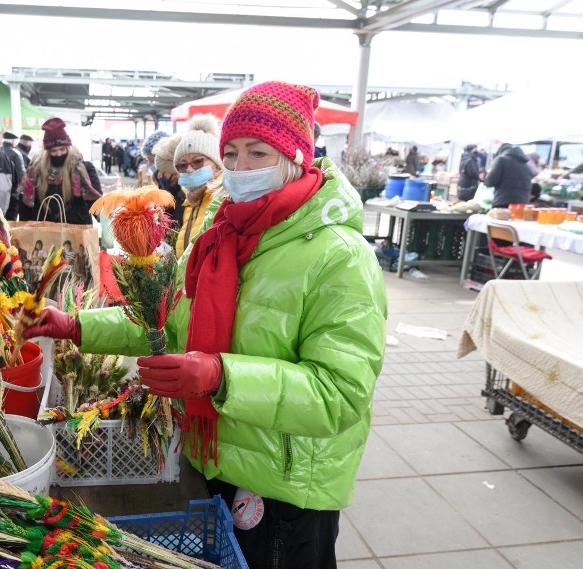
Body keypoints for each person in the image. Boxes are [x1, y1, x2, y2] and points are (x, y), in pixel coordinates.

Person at [22, 81, 387, 569]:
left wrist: (221, 376)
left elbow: (339, 394)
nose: (239, 168)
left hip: (288, 487)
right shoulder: (220, 239)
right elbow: (163, 323)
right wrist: (75, 326)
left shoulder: (339, 257)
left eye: (258, 153)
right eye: (231, 153)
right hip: (217, 461)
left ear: (297, 156)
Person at [20, 117, 102, 224]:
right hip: (43, 233)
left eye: (62, 149)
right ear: (47, 152)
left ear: (68, 147)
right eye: (53, 151)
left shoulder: (84, 169)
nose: (58, 154)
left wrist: (106, 224)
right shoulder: (35, 171)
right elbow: (25, 205)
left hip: (77, 232)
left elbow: (96, 203)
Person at [173, 114, 226, 258]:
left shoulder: (224, 197)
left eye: (197, 161)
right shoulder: (191, 199)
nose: (189, 170)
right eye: (182, 165)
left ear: (216, 163)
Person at [152, 133, 186, 234]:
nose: (159, 175)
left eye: (163, 171)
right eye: (158, 170)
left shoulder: (183, 196)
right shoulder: (167, 189)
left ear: (175, 172)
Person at [485, 143, 534, 209]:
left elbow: (490, 181)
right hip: (523, 204)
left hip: (503, 202)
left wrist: (486, 177)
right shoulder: (526, 165)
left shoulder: (501, 160)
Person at [0, 131, 27, 219]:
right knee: (11, 219)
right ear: (12, 141)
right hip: (12, 191)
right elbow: (22, 174)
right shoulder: (16, 153)